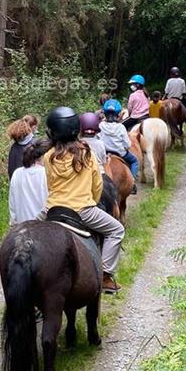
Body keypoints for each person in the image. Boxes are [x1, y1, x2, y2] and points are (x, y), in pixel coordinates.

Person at [43, 107, 124, 293]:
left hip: (52, 209)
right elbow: (97, 185)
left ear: (53, 132)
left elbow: (49, 184)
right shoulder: (87, 153)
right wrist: (93, 201)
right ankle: (105, 275)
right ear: (75, 129)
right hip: (83, 211)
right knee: (117, 230)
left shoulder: (48, 157)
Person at [9, 139, 50, 224]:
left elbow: (13, 208)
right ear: (46, 156)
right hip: (45, 229)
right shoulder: (46, 173)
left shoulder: (17, 173)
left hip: (22, 229)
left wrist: (13, 226)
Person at [100, 100, 139, 186]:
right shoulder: (121, 127)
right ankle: (132, 183)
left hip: (104, 153)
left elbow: (98, 138)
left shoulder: (101, 125)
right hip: (120, 153)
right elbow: (127, 144)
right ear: (118, 113)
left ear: (105, 113)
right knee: (134, 161)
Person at [6, 114, 39, 179]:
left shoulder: (14, 146)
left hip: (17, 183)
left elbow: (11, 169)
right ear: (34, 127)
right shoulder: (35, 144)